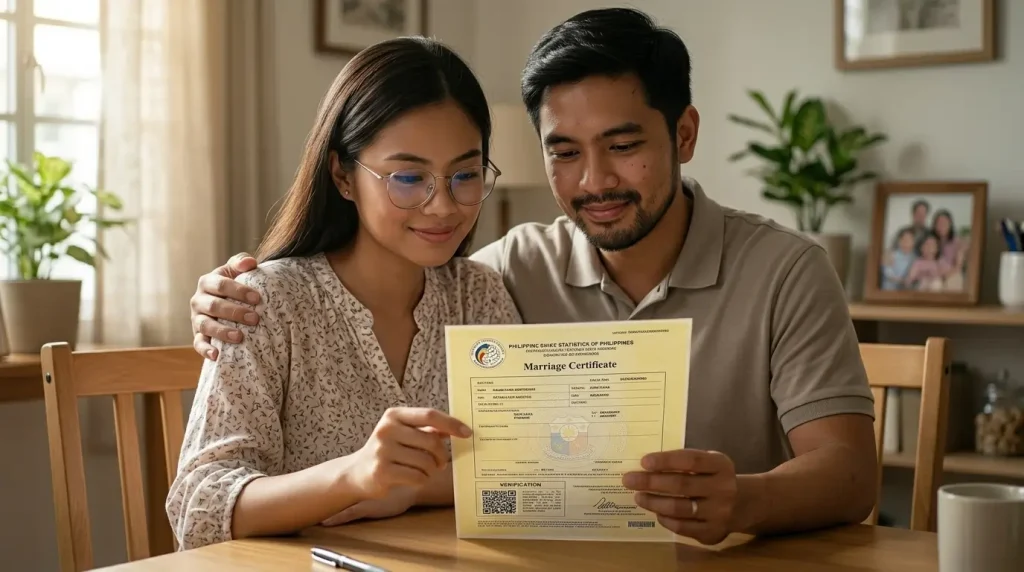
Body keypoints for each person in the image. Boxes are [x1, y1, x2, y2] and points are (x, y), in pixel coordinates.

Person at [188, 8, 877, 546]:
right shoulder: (503, 273)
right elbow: (201, 500)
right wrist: (230, 295)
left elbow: (851, 477)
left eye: (625, 145)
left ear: (684, 135)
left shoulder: (787, 270)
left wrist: (745, 501)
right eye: (565, 152)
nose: (595, 180)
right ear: (343, 172)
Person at [167, 37, 521, 551]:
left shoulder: (480, 295)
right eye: (408, 177)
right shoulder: (264, 303)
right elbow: (199, 509)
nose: (442, 205)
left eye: (464, 175)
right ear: (343, 176)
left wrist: (411, 488)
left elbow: (520, 471)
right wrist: (353, 477)